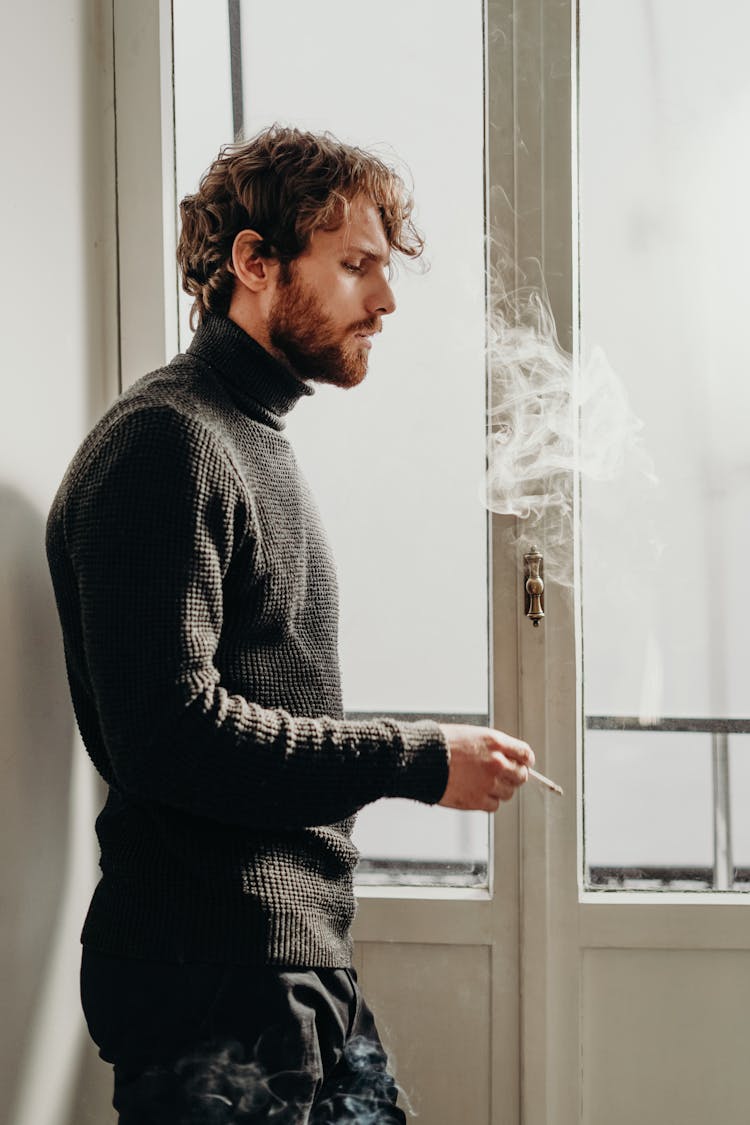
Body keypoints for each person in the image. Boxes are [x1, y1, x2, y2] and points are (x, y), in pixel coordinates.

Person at [46, 125, 534, 1124]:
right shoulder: (166, 443)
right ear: (254, 263)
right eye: (356, 266)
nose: (386, 301)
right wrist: (415, 757)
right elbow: (170, 736)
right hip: (213, 975)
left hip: (281, 960)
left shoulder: (247, 436)